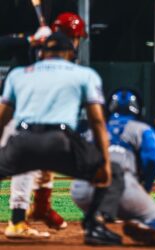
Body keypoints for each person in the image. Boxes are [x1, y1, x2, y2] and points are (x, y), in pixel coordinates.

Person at [0, 32, 122, 245]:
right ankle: (93, 227)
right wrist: (104, 162)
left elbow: (1, 120)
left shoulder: (18, 74)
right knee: (115, 173)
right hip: (60, 143)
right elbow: (97, 122)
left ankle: (26, 215)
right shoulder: (84, 74)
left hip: (22, 142)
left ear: (41, 53)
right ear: (70, 54)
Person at [1, 12, 88, 237]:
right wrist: (30, 40)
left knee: (40, 159)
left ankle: (41, 208)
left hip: (32, 115)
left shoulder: (62, 54)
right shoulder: (40, 44)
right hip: (13, 112)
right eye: (78, 37)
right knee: (26, 162)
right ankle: (18, 221)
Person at [70, 89, 155, 246]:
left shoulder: (93, 130)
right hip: (123, 188)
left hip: (81, 191)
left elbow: (76, 159)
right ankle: (145, 224)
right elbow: (151, 161)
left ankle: (95, 219)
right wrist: (146, 188)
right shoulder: (142, 129)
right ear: (139, 109)